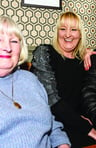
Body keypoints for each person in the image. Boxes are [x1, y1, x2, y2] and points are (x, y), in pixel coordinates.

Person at [31, 11, 96, 148]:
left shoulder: (82, 61)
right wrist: (87, 128)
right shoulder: (44, 53)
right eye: (63, 29)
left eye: (74, 30)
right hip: (51, 124)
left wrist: (92, 54)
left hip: (75, 122)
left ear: (80, 34)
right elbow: (53, 102)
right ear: (57, 32)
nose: (68, 34)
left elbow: (85, 99)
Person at [0, 16, 70, 148]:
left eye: (14, 41)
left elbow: (50, 122)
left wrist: (62, 144)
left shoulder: (30, 79)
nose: (7, 47)